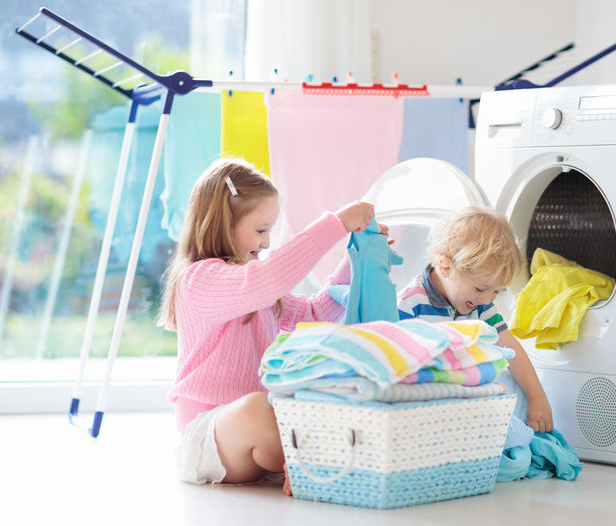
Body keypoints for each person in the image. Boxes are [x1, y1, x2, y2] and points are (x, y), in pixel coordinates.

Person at [157, 157, 381, 486]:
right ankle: (307, 464)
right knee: (258, 409)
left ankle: (305, 462)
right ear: (222, 224)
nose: (266, 242)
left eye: (270, 231)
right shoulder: (199, 280)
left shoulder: (258, 290)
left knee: (309, 401)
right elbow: (269, 279)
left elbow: (315, 313)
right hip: (208, 435)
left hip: (255, 432)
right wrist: (336, 224)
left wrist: (355, 259)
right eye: (260, 230)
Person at [396, 207, 554, 433]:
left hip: (463, 402)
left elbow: (510, 346)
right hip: (425, 405)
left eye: (497, 291)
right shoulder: (410, 304)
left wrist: (537, 397)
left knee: (510, 382)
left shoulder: (479, 304)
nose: (488, 300)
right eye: (480, 289)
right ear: (445, 266)